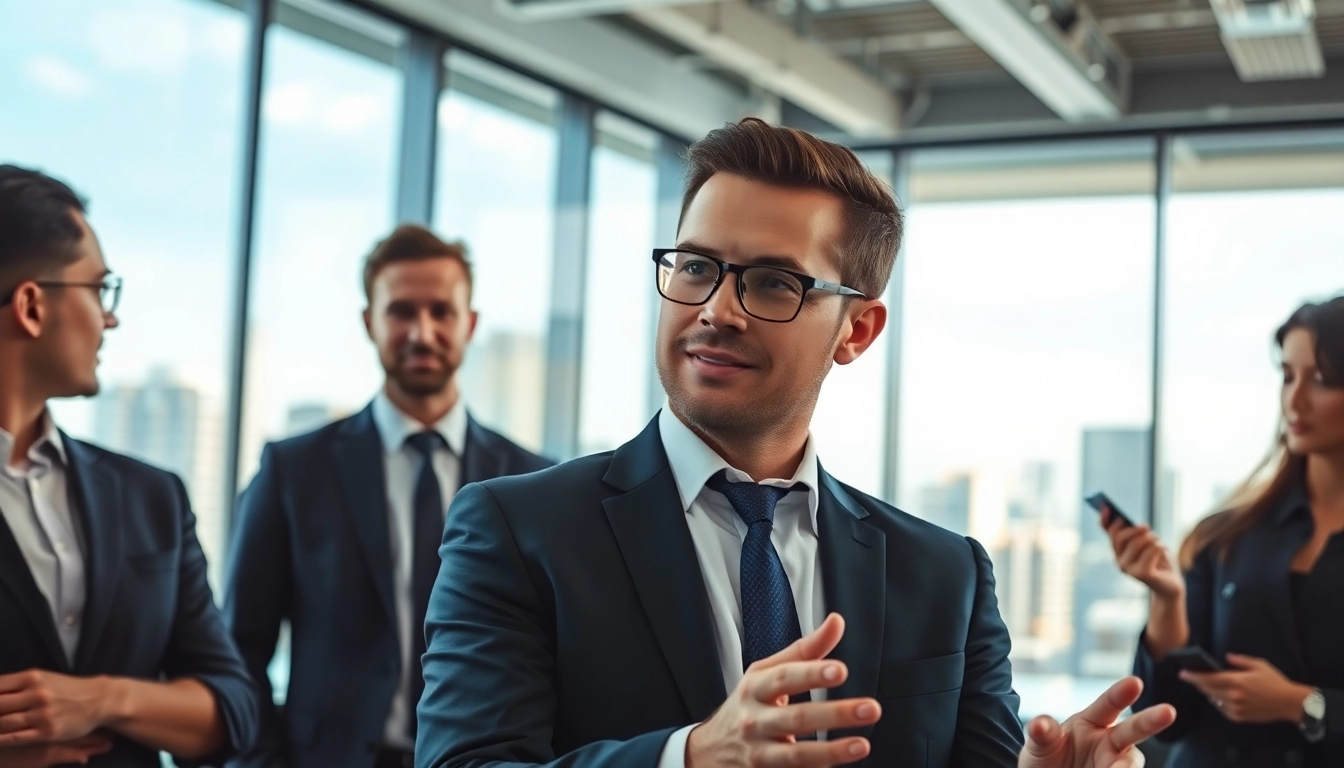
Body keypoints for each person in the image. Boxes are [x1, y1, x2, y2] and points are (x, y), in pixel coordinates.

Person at [413, 119, 1174, 768]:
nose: (716, 310)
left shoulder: (945, 574)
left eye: (774, 283)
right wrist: (690, 756)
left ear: (858, 330)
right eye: (696, 267)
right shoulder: (517, 531)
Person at [224, 224, 553, 768]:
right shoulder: (294, 470)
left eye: (441, 312)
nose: (421, 332)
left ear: (469, 324)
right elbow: (240, 650)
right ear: (369, 322)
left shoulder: (532, 480)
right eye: (401, 311)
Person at [0, 164, 259, 767]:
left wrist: (101, 699)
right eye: (99, 289)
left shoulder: (153, 498)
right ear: (33, 306)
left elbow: (234, 710)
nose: (110, 317)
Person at [1104, 296, 1344, 767]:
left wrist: (1302, 703)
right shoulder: (1226, 536)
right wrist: (1167, 601)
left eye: (1319, 379)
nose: (1294, 400)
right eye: (1288, 375)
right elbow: (1165, 714)